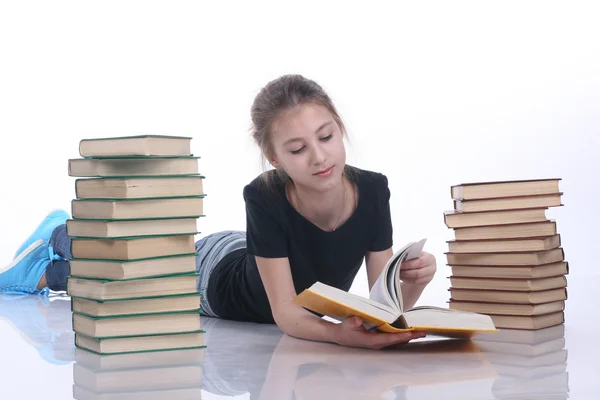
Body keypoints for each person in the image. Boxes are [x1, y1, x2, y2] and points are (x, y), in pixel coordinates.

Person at [0, 74, 437, 349]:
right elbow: (285, 314)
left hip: (253, 255)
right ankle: (60, 234)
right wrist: (340, 335)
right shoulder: (264, 195)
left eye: (326, 136)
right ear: (274, 158)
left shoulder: (374, 189)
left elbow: (385, 306)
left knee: (131, 276)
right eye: (298, 148)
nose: (320, 157)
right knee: (129, 275)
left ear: (340, 129)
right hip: (214, 278)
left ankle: (50, 259)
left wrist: (411, 283)